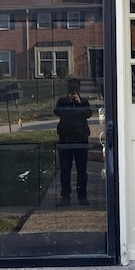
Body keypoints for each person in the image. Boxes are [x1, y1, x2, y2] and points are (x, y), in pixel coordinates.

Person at [54, 78, 92, 206]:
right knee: (65, 170)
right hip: (65, 139)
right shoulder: (62, 101)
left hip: (81, 139)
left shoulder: (84, 102)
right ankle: (65, 196)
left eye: (75, 88)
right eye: (71, 88)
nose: (73, 90)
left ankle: (82, 196)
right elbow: (57, 112)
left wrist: (79, 103)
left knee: (82, 170)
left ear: (79, 89)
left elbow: (88, 114)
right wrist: (67, 103)